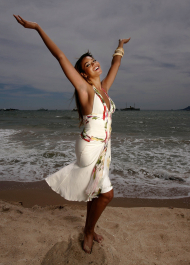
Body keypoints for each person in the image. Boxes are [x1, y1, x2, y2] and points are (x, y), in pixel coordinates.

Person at [13, 14, 130, 253]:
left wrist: (120, 45)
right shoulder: (84, 89)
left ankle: (90, 228)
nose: (94, 63)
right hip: (89, 148)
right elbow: (60, 56)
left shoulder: (104, 89)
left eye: (94, 60)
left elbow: (116, 63)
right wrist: (36, 27)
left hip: (104, 149)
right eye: (88, 64)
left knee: (94, 191)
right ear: (84, 74)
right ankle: (88, 231)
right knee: (106, 195)